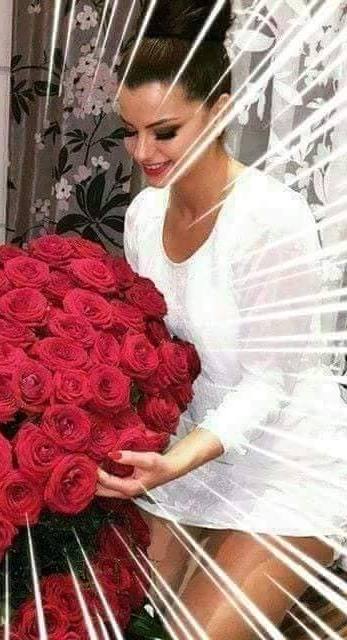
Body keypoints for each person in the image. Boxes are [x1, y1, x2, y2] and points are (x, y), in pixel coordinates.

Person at [95, 1, 347, 637]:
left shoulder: (270, 218)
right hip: (188, 452)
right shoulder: (143, 217)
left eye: (164, 132)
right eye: (130, 131)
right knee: (109, 617)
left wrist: (176, 461)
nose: (142, 152)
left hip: (284, 463)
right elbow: (152, 349)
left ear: (221, 110)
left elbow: (270, 382)